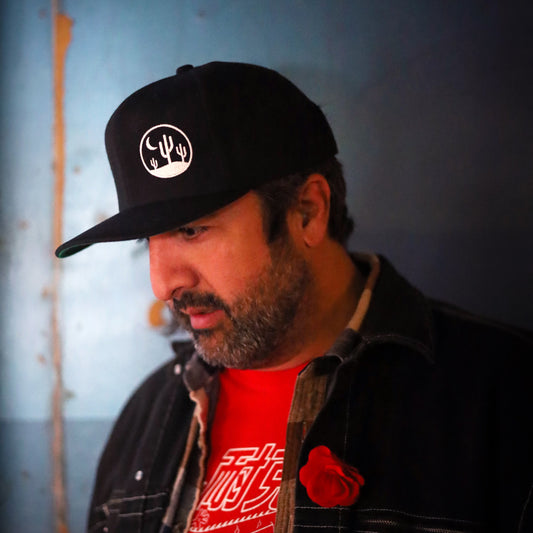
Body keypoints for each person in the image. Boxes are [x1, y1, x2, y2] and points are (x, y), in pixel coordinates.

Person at [56, 62, 533, 533]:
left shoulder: (506, 395)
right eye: (148, 241)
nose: (163, 285)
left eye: (192, 230)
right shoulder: (149, 415)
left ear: (307, 211)